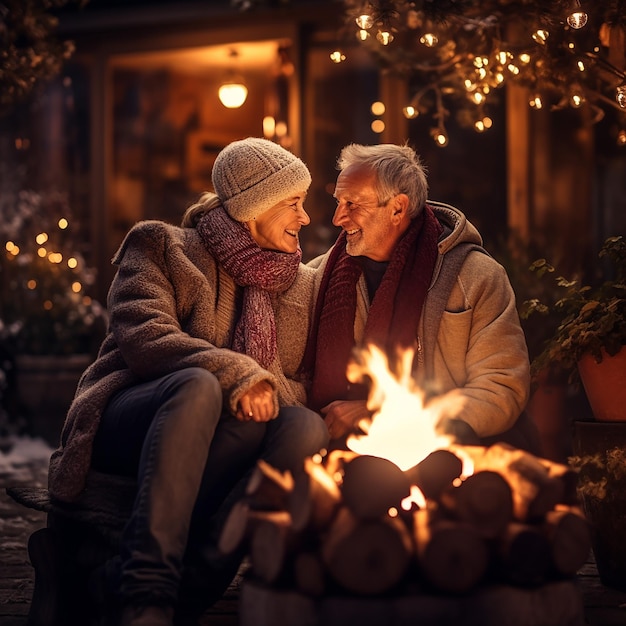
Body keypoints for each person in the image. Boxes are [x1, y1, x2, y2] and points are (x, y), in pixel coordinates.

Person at [46, 137, 329, 626]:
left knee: (304, 428)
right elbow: (145, 337)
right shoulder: (162, 246)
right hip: (132, 417)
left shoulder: (298, 282)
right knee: (198, 385)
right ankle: (145, 592)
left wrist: (261, 390)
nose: (304, 218)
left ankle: (171, 585)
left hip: (228, 434)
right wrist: (241, 375)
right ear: (252, 208)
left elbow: (301, 380)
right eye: (293, 203)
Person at [300, 142, 538, 452]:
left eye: (353, 203)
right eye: (338, 202)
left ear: (398, 208)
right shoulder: (319, 276)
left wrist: (385, 415)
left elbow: (501, 386)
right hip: (342, 448)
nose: (338, 218)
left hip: (449, 451)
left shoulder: (476, 277)